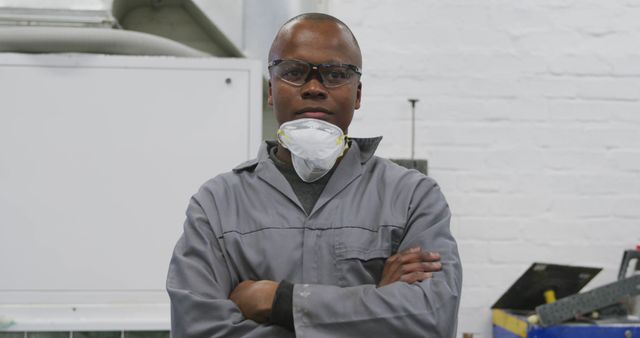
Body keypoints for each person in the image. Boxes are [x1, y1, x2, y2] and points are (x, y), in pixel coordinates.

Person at [167, 12, 462, 338]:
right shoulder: (217, 204)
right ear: (271, 90)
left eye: (335, 74)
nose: (313, 88)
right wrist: (377, 302)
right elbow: (197, 329)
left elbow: (431, 320)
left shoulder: (412, 198)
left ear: (358, 94)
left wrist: (276, 300)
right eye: (293, 72)